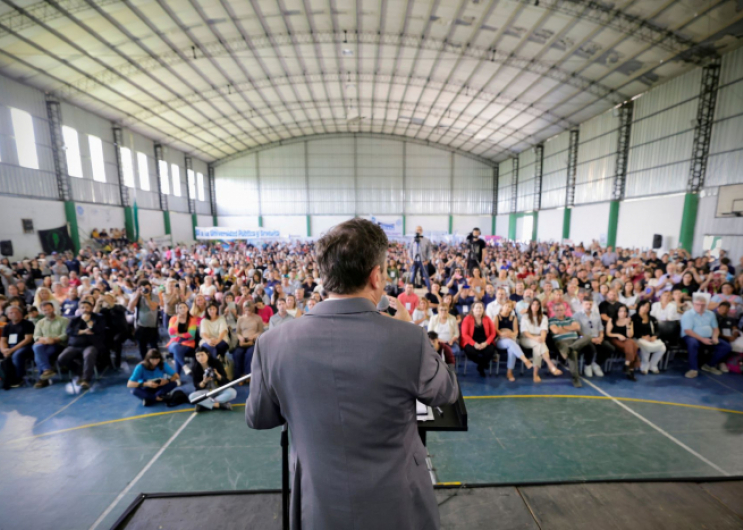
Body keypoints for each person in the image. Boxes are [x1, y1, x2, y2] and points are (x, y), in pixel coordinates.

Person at [246, 218, 458, 530]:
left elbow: (260, 417)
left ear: (324, 277)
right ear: (376, 276)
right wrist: (408, 327)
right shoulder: (408, 340)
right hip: (398, 504)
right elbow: (445, 393)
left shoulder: (272, 342)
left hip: (318, 504)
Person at [680, 294, 732, 379]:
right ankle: (693, 369)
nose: (700, 307)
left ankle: (709, 365)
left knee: (726, 347)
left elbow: (715, 328)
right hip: (691, 336)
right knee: (693, 343)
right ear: (693, 304)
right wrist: (702, 339)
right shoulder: (688, 314)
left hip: (708, 336)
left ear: (706, 305)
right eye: (697, 304)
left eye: (703, 305)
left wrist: (715, 337)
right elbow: (688, 331)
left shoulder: (711, 314)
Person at [58, 299, 105, 389]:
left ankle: (85, 379)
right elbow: (69, 331)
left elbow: (99, 330)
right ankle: (80, 371)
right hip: (75, 345)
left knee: (89, 355)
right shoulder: (74, 319)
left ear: (91, 308)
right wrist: (83, 331)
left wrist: (88, 322)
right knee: (62, 358)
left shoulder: (98, 317)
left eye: (87, 307)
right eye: (82, 307)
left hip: (91, 344)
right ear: (79, 309)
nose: (85, 309)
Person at [549, 303, 596, 388]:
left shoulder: (570, 319)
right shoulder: (551, 320)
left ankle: (570, 348)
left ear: (565, 310)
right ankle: (576, 378)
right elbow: (555, 331)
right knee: (573, 353)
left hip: (575, 341)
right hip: (562, 342)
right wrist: (569, 328)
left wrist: (562, 328)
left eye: (561, 310)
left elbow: (577, 327)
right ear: (554, 311)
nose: (559, 312)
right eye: (557, 310)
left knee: (588, 337)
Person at [519, 298, 561, 382]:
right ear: (530, 306)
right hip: (526, 339)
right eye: (533, 304)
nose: (535, 306)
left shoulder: (543, 317)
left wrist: (542, 338)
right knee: (539, 345)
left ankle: (536, 374)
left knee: (538, 347)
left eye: (537, 304)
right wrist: (535, 338)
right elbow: (525, 332)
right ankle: (550, 365)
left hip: (539, 339)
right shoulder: (525, 317)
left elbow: (543, 330)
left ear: (540, 306)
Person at [32, 301, 69, 388]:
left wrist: (54, 340)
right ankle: (47, 370)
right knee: (37, 347)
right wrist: (44, 339)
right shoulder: (40, 322)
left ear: (53, 309)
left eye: (49, 309)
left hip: (59, 344)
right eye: (45, 310)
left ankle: (43, 379)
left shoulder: (64, 320)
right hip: (44, 344)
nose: (47, 311)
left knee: (39, 355)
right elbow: (36, 336)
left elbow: (65, 335)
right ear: (42, 311)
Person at [494, 302, 533, 381]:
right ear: (502, 306)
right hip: (500, 339)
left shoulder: (513, 317)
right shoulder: (497, 317)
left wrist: (511, 335)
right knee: (510, 343)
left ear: (512, 309)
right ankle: (525, 360)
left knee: (511, 348)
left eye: (509, 307)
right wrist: (503, 334)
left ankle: (509, 372)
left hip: (511, 338)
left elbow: (516, 331)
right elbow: (495, 330)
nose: (507, 308)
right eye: (506, 305)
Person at [460, 301, 497, 377]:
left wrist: (486, 343)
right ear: (473, 309)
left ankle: (480, 367)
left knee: (490, 351)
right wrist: (474, 344)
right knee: (472, 352)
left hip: (484, 340)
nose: (479, 309)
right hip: (470, 341)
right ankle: (482, 364)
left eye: (481, 307)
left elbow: (493, 333)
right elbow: (464, 334)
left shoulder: (487, 318)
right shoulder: (467, 319)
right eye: (477, 307)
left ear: (483, 309)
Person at [573, 299, 608, 378]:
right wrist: (590, 339)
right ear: (582, 304)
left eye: (590, 304)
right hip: (584, 338)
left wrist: (601, 337)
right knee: (591, 348)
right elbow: (578, 331)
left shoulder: (596, 314)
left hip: (597, 337)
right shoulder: (577, 315)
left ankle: (596, 364)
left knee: (609, 348)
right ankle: (587, 365)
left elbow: (601, 328)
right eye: (586, 304)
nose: (588, 306)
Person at [1, 305, 35, 386]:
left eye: (16, 312)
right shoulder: (7, 326)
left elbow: (27, 339)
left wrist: (12, 350)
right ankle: (5, 378)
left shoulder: (27, 324)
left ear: (21, 313)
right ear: (8, 315)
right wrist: (4, 350)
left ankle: (19, 378)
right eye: (11, 313)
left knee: (17, 355)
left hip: (25, 347)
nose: (14, 314)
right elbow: (3, 340)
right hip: (10, 347)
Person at [631, 299, 666, 375]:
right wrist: (642, 336)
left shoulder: (652, 318)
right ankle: (644, 366)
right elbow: (632, 332)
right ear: (639, 306)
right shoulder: (634, 318)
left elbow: (657, 330)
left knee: (662, 348)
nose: (645, 308)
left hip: (651, 338)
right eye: (644, 306)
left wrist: (655, 336)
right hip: (638, 338)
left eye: (647, 307)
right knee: (646, 347)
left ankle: (653, 365)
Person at [128, 279, 160, 359]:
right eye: (144, 288)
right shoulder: (136, 296)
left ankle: (157, 362)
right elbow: (130, 308)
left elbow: (153, 307)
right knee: (142, 347)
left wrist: (147, 297)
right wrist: (137, 295)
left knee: (154, 347)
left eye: (148, 288)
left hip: (153, 326)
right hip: (140, 325)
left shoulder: (155, 296)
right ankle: (145, 362)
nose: (146, 290)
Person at [606, 304, 639, 381]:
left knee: (630, 343)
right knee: (634, 346)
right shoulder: (612, 320)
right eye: (621, 311)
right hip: (614, 340)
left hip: (626, 341)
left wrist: (628, 325)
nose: (623, 313)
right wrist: (618, 335)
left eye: (625, 311)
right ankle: (630, 370)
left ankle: (627, 365)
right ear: (617, 312)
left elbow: (630, 335)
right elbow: (608, 333)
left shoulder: (629, 321)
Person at [233, 300, 263, 382]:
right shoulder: (240, 319)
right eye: (246, 310)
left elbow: (260, 331)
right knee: (237, 354)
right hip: (242, 340)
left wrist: (253, 336)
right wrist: (240, 337)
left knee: (249, 354)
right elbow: (237, 332)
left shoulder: (258, 318)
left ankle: (247, 375)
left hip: (253, 341)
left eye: (249, 310)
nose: (248, 312)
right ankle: (239, 376)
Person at [167, 301, 198, 375]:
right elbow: (171, 332)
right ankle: (184, 366)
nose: (182, 309)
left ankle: (177, 376)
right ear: (177, 310)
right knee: (176, 347)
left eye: (184, 307)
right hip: (174, 342)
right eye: (180, 308)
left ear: (187, 309)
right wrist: (178, 320)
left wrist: (178, 334)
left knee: (177, 351)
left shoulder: (192, 319)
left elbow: (191, 334)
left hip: (188, 343)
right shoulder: (173, 319)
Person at [408, 225, 432, 290]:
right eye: (417, 229)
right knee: (412, 276)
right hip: (415, 260)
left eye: (420, 229)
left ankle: (429, 291)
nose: (418, 230)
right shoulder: (412, 240)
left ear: (422, 231)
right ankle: (411, 290)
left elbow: (429, 251)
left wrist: (428, 260)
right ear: (415, 231)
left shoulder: (427, 240)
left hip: (423, 260)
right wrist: (410, 260)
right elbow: (410, 250)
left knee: (426, 276)